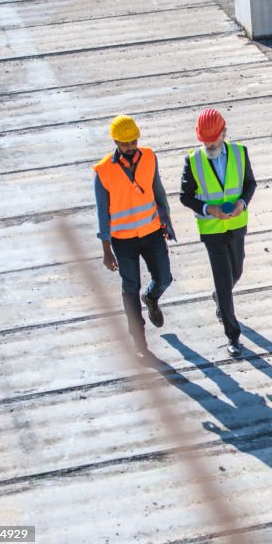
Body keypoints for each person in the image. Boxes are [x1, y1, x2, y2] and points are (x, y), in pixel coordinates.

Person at [94, 114, 176, 358]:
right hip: (123, 241)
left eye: (134, 141)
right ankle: (139, 342)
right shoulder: (103, 171)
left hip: (152, 233)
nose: (130, 147)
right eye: (125, 143)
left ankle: (151, 298)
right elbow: (102, 212)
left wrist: (167, 223)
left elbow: (158, 192)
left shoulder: (149, 157)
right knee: (130, 288)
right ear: (115, 142)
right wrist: (106, 250)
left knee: (164, 278)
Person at [180, 108, 256, 357]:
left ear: (224, 133)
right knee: (223, 280)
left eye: (213, 140)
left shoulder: (240, 153)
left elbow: (250, 184)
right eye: (205, 141)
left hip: (236, 224)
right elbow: (185, 196)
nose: (209, 145)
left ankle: (219, 297)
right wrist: (208, 209)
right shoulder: (193, 160)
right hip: (211, 230)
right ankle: (232, 336)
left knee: (237, 271)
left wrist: (242, 203)